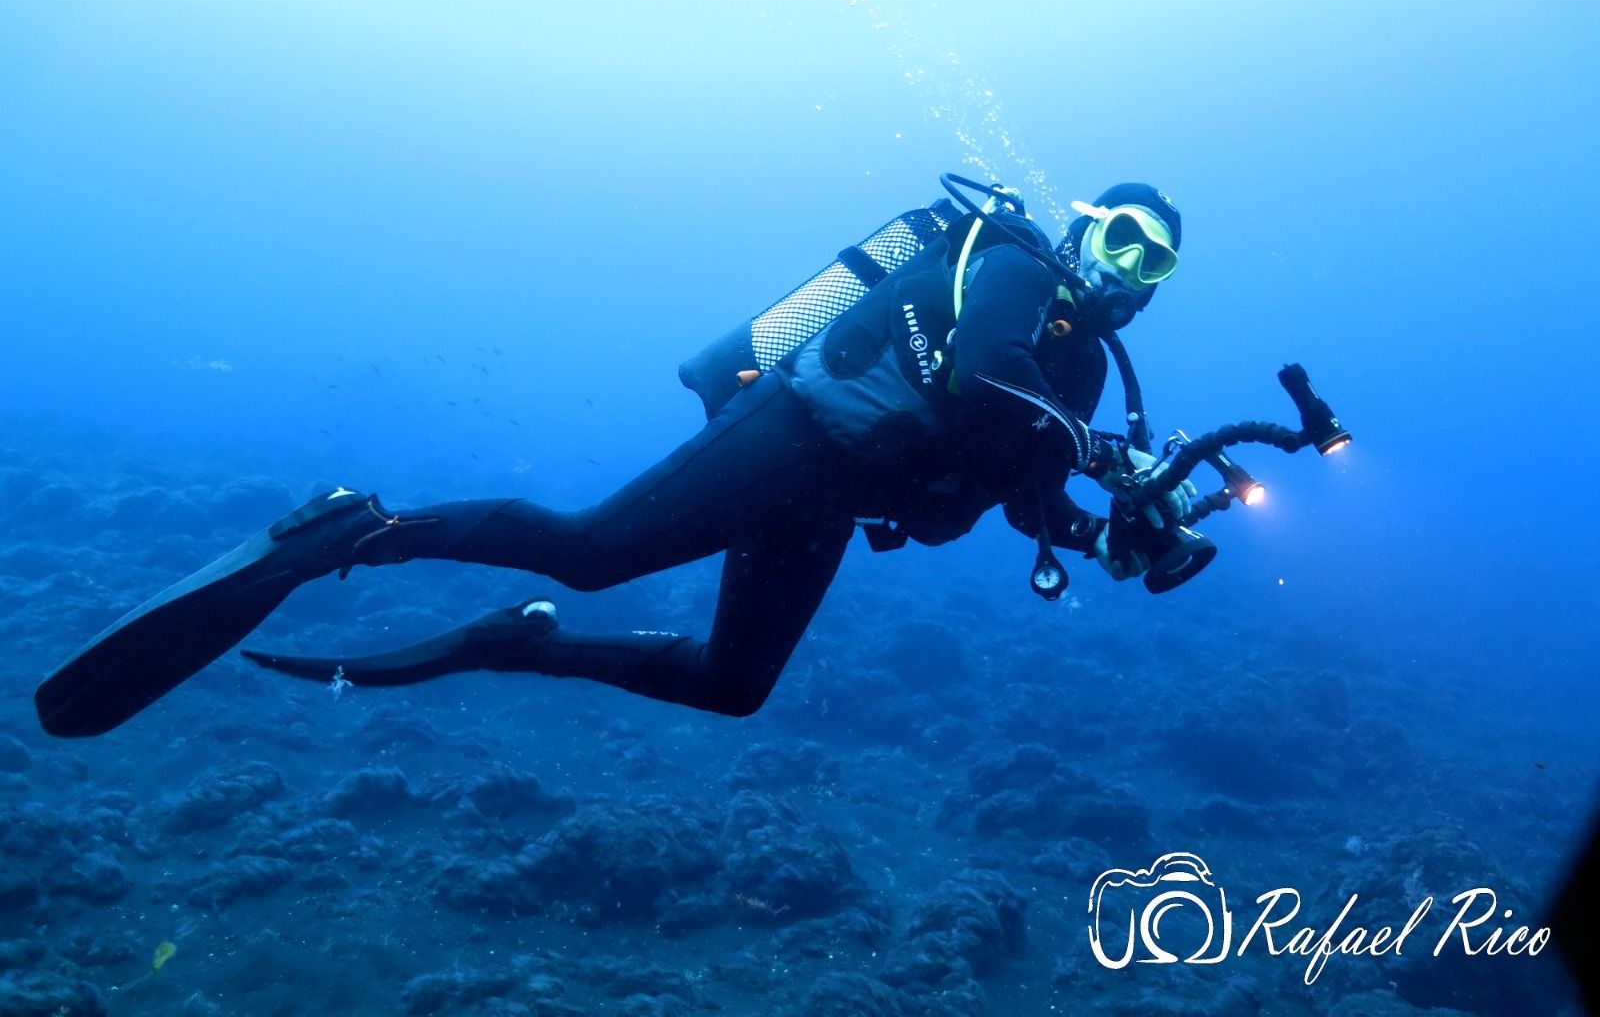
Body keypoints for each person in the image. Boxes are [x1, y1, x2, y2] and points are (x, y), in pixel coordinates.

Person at [34, 180, 1197, 738]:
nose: (1128, 267)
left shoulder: (1082, 381)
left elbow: (1024, 499)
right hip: (793, 432)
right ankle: (352, 527)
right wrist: (1101, 453)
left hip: (832, 499)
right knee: (594, 550)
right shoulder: (1014, 274)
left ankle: (513, 645)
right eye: (1122, 237)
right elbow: (986, 363)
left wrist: (1104, 532)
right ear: (1085, 226)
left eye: (1154, 263)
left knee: (732, 688)